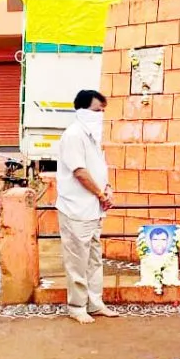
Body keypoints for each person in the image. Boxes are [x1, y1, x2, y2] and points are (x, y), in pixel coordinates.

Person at [56, 89, 118, 324]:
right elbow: (80, 172)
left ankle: (95, 303)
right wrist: (101, 194)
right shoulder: (73, 135)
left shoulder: (92, 136)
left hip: (94, 209)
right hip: (76, 209)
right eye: (96, 110)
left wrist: (107, 189)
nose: (100, 115)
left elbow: (99, 167)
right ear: (81, 110)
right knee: (77, 259)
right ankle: (77, 306)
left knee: (93, 258)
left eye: (102, 111)